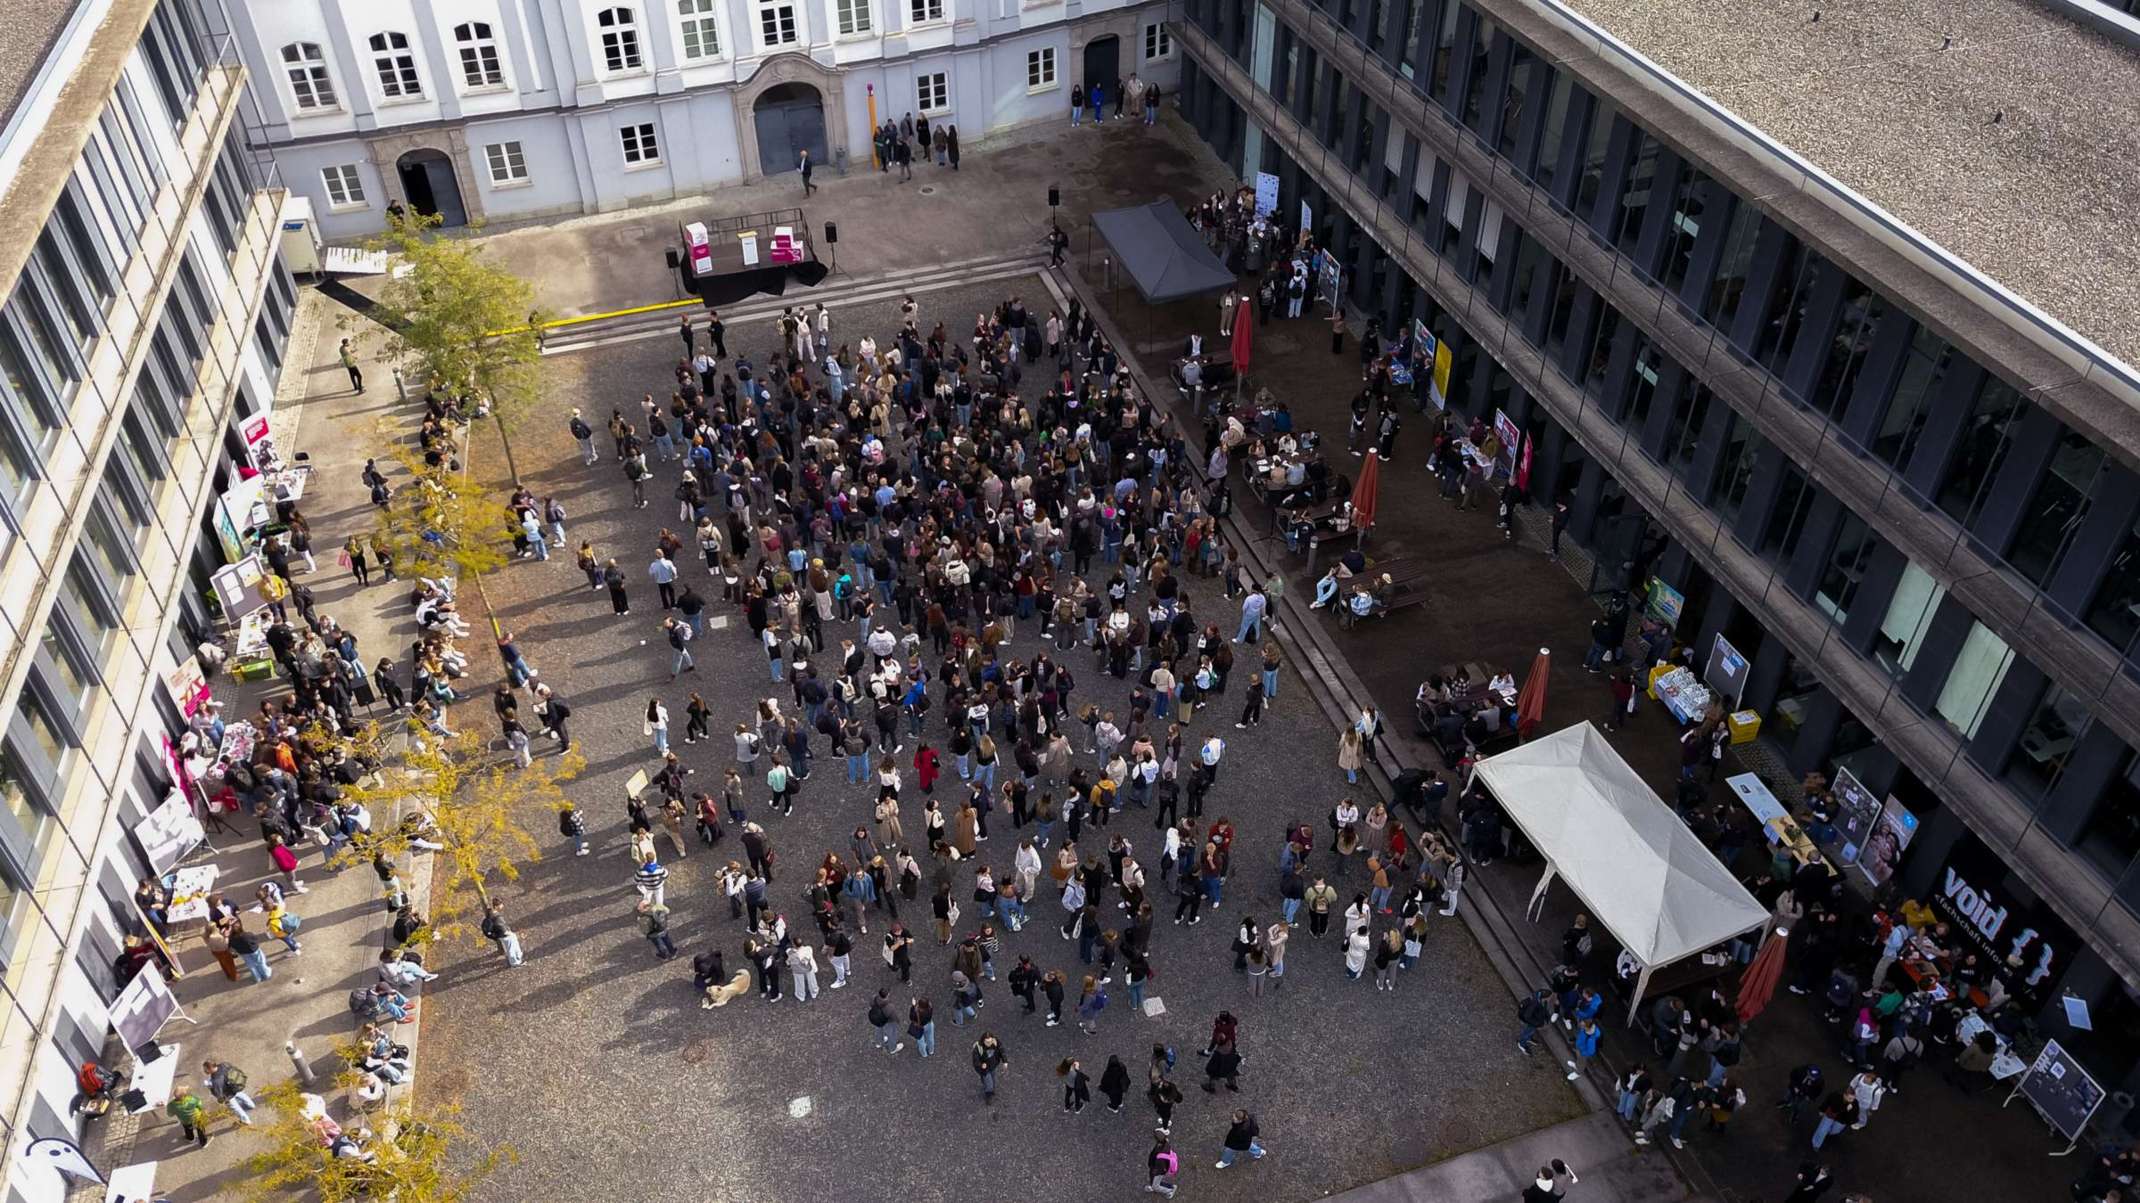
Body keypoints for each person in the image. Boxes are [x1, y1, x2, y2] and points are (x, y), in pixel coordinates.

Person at [202, 1059, 257, 1125]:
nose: (204, 1071)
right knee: (243, 1096)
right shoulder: (224, 1065)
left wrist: (210, 1087)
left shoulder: (216, 1081)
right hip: (236, 1087)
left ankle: (246, 1121)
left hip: (228, 1096)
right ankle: (251, 1105)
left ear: (210, 1068)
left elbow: (219, 1096)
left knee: (236, 1109)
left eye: (206, 1069)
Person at [971, 1031, 1007, 1101]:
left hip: (993, 1065)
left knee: (993, 1079)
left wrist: (1005, 1061)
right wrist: (981, 1065)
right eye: (987, 1042)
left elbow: (1001, 1050)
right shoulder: (978, 1047)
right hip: (984, 1069)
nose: (989, 1044)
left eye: (990, 1041)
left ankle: (989, 1088)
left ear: (993, 1039)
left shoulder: (996, 1042)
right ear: (983, 1040)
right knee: (989, 1083)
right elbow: (975, 1060)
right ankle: (988, 1095)